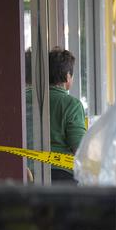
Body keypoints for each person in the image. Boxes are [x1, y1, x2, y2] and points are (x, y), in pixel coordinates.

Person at [49, 47, 86, 184]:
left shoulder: (24, 99)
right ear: (67, 77)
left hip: (25, 173)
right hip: (61, 177)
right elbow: (80, 149)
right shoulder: (72, 104)